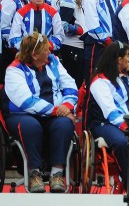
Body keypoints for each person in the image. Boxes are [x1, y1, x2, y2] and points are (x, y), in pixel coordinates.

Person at [4, 33, 78, 193]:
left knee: (64, 125)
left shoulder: (54, 62)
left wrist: (67, 105)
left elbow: (70, 85)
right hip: (23, 114)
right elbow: (26, 101)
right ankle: (34, 173)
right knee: (31, 127)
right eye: (46, 50)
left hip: (56, 113)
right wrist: (58, 110)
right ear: (34, 54)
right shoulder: (14, 70)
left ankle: (56, 173)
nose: (50, 52)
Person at [86, 41, 129, 180]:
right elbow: (110, 112)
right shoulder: (100, 81)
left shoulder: (127, 79)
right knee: (123, 143)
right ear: (119, 59)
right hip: (105, 123)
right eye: (127, 56)